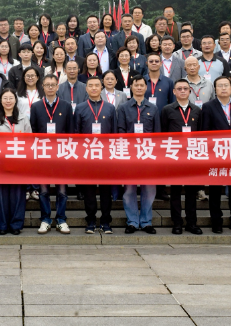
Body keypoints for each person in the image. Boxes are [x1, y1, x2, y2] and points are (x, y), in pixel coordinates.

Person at [201, 76, 231, 234]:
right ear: (215, 89)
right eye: (220, 86)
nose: (223, 88)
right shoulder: (208, 107)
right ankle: (216, 221)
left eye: (226, 85)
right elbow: (204, 132)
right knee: (215, 191)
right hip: (216, 155)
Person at [30, 74, 74, 235]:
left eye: (53, 84)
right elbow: (33, 131)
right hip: (43, 154)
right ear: (42, 87)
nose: (50, 87)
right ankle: (45, 219)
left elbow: (70, 131)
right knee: (43, 191)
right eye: (47, 84)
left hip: (61, 154)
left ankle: (61, 219)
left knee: (62, 190)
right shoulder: (36, 106)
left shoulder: (66, 106)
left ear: (57, 87)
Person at [74, 76, 116, 233]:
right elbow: (76, 133)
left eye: (97, 85)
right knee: (89, 191)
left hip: (105, 157)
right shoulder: (80, 108)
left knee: (106, 191)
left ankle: (106, 221)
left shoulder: (110, 108)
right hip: (87, 157)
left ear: (101, 87)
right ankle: (90, 220)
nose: (93, 88)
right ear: (86, 89)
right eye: (90, 85)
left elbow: (114, 133)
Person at [117, 75, 159, 234]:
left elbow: (157, 134)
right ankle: (132, 222)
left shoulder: (153, 108)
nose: (139, 88)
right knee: (129, 190)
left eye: (142, 85)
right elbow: (120, 131)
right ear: (131, 87)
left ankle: (146, 222)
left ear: (146, 87)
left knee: (149, 189)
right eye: (136, 85)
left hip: (148, 155)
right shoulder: (123, 107)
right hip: (129, 155)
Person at [161, 80, 203, 235]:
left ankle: (192, 223)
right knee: (175, 192)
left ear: (190, 91)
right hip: (175, 156)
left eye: (185, 88)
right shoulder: (167, 110)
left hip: (192, 156)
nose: (183, 91)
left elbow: (201, 134)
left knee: (191, 192)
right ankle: (177, 223)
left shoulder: (197, 110)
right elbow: (163, 132)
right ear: (174, 92)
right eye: (179, 88)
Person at [0, 88, 31, 235]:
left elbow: (29, 140)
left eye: (11, 98)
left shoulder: (23, 118)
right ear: (0, 101)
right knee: (2, 195)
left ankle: (16, 224)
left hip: (20, 162)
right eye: (5, 98)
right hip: (1, 163)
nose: (8, 101)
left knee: (18, 194)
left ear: (15, 100)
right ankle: (2, 225)